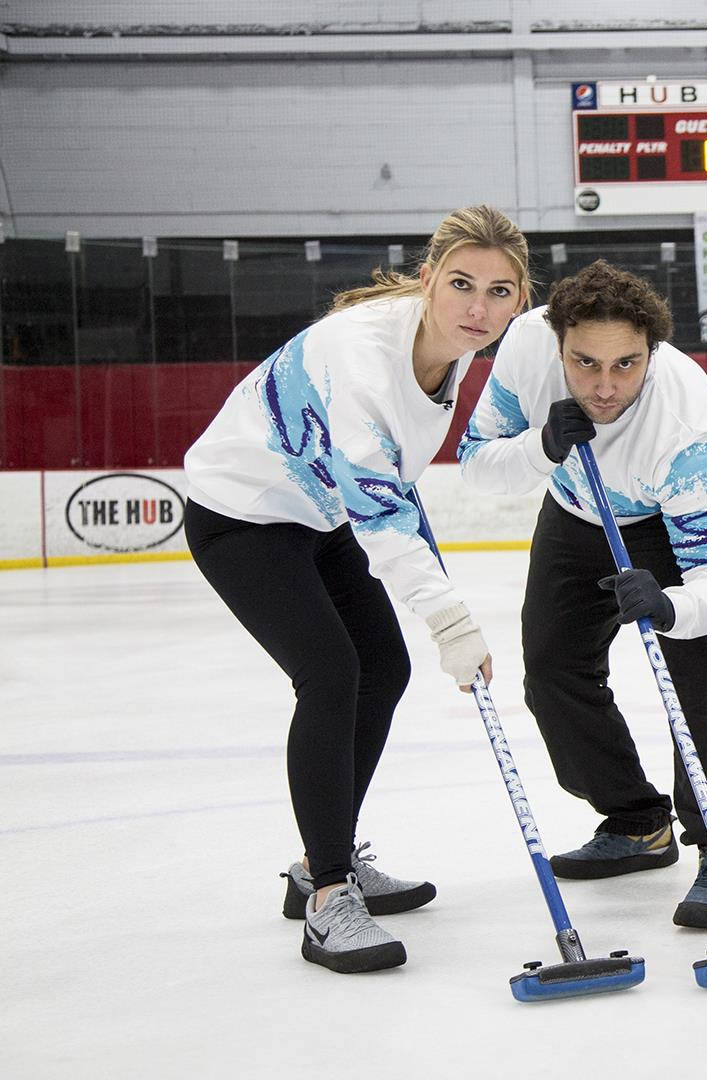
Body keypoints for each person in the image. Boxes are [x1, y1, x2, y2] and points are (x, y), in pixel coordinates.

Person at [182, 205, 529, 973]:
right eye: (463, 284)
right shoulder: (361, 358)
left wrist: (442, 612)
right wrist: (452, 623)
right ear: (429, 278)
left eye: (501, 292)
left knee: (385, 668)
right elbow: (381, 508)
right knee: (332, 673)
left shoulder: (458, 347)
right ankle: (327, 896)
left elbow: (394, 489)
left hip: (319, 511)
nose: (480, 308)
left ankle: (321, 854)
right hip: (241, 514)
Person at [457, 260, 707, 929]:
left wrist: (668, 606)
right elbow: (477, 467)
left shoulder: (686, 429)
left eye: (626, 365)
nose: (604, 387)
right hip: (573, 507)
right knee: (551, 670)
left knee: (691, 668)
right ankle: (635, 820)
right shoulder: (524, 345)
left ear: (652, 353)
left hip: (665, 519)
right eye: (585, 364)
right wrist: (542, 447)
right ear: (556, 341)